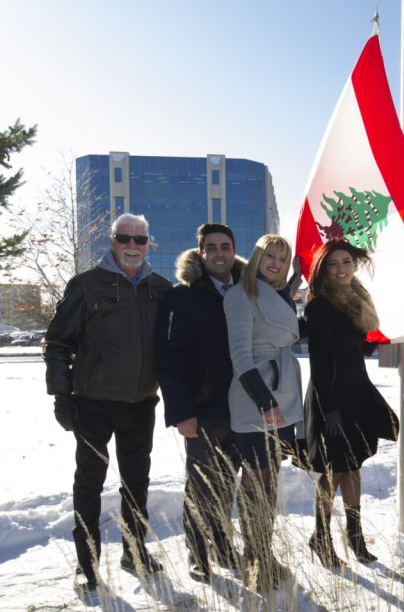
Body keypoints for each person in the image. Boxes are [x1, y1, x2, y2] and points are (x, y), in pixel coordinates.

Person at [43, 213, 171, 593]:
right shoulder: (86, 285)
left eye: (140, 239)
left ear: (149, 244)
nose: (132, 245)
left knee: (136, 484)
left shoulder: (160, 289)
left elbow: (175, 346)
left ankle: (135, 552)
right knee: (89, 484)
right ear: (112, 242)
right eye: (124, 238)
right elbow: (57, 344)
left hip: (141, 405)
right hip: (93, 405)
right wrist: (61, 395)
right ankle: (87, 564)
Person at [157, 223, 245, 582]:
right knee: (200, 486)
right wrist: (181, 412)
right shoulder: (181, 297)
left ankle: (223, 546)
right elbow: (168, 358)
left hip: (242, 408)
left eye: (226, 246)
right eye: (212, 248)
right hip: (203, 409)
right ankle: (198, 554)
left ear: (233, 250)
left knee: (227, 484)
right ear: (201, 252)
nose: (220, 253)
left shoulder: (247, 291)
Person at [303, 240, 398, 568]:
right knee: (332, 470)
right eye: (333, 264)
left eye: (346, 262)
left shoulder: (357, 300)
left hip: (356, 392)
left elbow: (358, 349)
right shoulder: (320, 306)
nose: (341, 269)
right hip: (330, 398)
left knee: (353, 465)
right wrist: (329, 409)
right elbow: (318, 363)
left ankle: (355, 537)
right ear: (323, 270)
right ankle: (321, 536)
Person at [224, 234, 303, 591]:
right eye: (269, 255)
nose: (275, 263)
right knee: (257, 483)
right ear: (256, 256)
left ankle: (262, 555)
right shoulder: (242, 294)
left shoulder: (278, 294)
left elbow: (288, 329)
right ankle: (255, 562)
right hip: (256, 398)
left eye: (282, 259)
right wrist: (265, 402)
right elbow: (240, 357)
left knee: (270, 482)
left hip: (282, 394)